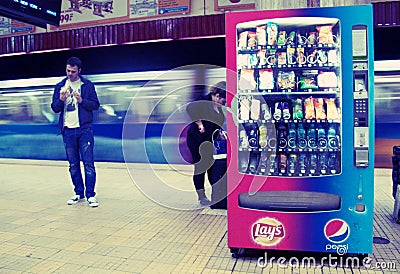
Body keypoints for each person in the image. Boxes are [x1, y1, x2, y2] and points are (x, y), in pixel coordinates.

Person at [51, 57, 100, 207]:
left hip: (84, 130)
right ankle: (79, 193)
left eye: (73, 71)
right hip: (68, 130)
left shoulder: (87, 85)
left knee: (88, 164)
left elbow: (95, 105)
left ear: (79, 70)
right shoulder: (60, 86)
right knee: (73, 164)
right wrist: (60, 99)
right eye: (67, 71)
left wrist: (81, 101)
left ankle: (90, 195)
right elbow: (54, 108)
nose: (70, 74)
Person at [186, 81, 226, 206]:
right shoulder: (203, 100)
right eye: (223, 100)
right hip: (196, 140)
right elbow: (190, 108)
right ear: (217, 95)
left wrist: (219, 134)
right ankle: (202, 197)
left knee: (212, 167)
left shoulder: (218, 107)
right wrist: (199, 123)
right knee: (201, 167)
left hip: (208, 141)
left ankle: (217, 195)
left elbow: (215, 124)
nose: (224, 103)